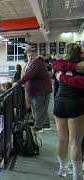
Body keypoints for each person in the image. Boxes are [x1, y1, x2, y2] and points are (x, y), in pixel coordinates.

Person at [52, 43, 84, 180]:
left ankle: (63, 169)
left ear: (65, 52)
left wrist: (64, 76)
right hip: (76, 104)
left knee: (62, 139)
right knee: (76, 142)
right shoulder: (81, 67)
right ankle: (77, 175)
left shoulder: (61, 66)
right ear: (81, 53)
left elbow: (55, 65)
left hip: (59, 104)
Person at [13, 48, 52, 133]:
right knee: (40, 108)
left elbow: (29, 75)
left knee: (39, 109)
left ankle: (38, 127)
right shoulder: (31, 63)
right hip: (36, 90)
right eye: (29, 55)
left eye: (32, 55)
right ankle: (46, 125)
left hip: (41, 90)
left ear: (35, 55)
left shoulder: (37, 63)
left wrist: (18, 83)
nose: (30, 57)